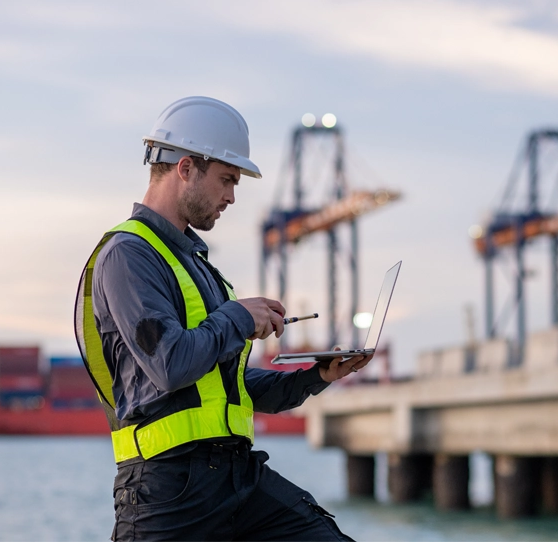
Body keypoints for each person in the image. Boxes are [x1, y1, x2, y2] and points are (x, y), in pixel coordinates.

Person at [75, 96, 372, 541]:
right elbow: (170, 365)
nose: (232, 197)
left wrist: (317, 375)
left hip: (237, 479)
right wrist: (236, 316)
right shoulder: (128, 255)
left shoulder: (199, 268)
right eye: (227, 180)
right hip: (168, 493)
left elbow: (228, 389)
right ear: (186, 168)